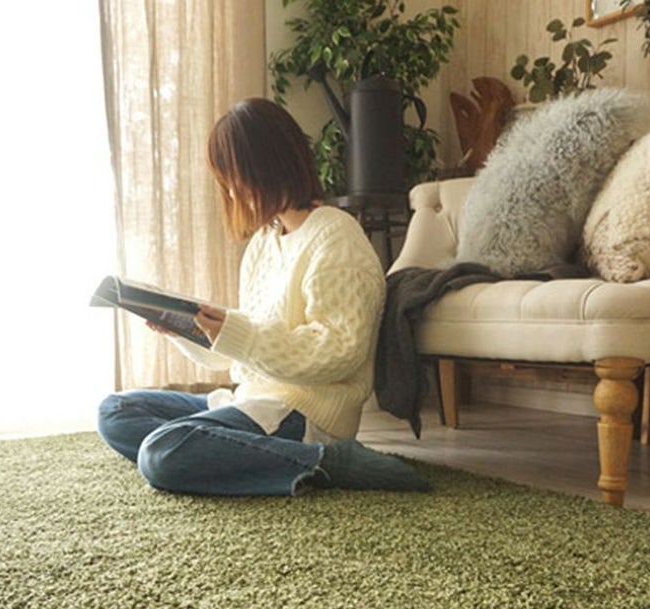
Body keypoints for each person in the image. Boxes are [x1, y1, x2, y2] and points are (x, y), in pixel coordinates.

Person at [97, 97, 428, 496]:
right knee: (116, 410)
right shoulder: (264, 242)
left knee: (160, 453)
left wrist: (239, 334)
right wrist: (185, 330)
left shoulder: (335, 235)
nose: (230, 190)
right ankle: (234, 451)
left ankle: (326, 460)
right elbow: (248, 350)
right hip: (253, 398)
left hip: (302, 410)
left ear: (264, 167)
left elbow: (339, 351)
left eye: (233, 176)